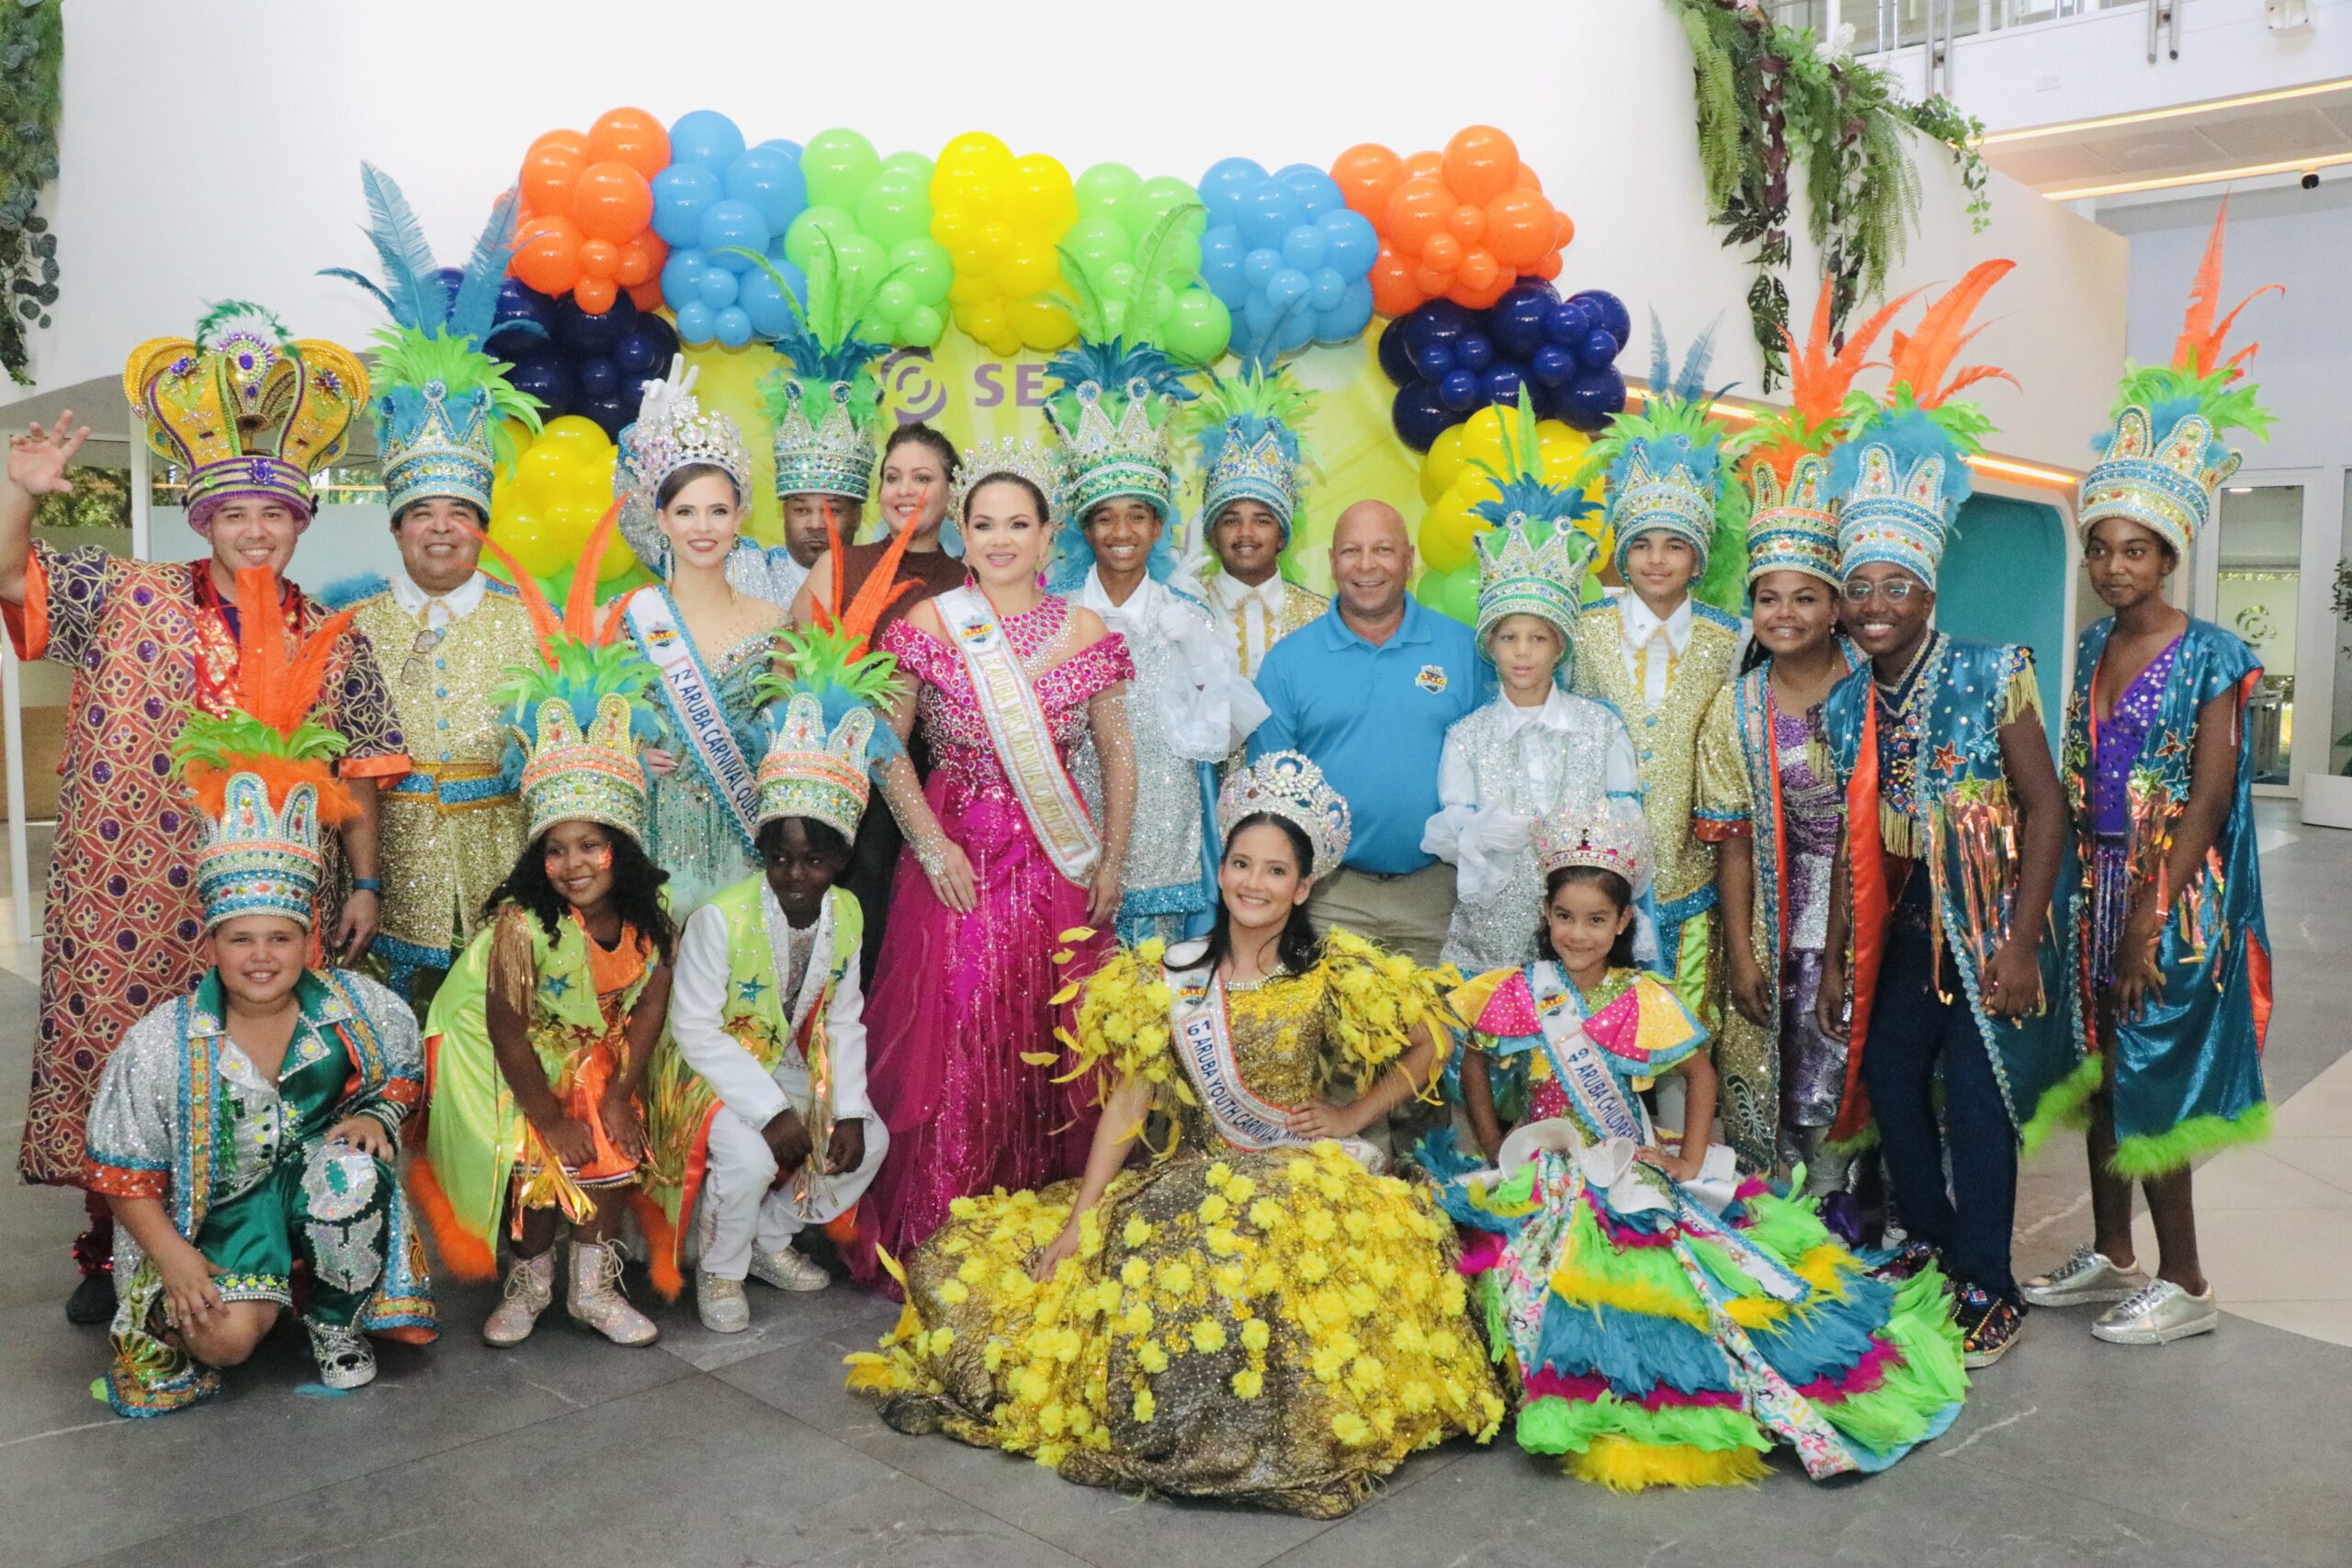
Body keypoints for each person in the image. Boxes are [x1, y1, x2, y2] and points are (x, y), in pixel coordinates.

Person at [851, 751, 1505, 1517]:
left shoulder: (1331, 972)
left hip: (1301, 1184)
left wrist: (1350, 1116)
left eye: (1275, 870)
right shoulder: (1173, 973)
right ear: (1220, 870)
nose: (1254, 883)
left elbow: (1428, 1039)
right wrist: (1081, 1216)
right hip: (1194, 1181)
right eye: (1241, 864)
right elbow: (1128, 1105)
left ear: (1304, 886)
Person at [2, 305, 408, 1325]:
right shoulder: (125, 593)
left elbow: (361, 772)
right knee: (122, 1058)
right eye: (235, 514)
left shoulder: (334, 634)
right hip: (128, 894)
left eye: (275, 514)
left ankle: (274, 1239)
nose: (255, 530)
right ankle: (114, 1249)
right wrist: (21, 494)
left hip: (275, 899)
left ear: (301, 522)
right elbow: (11, 575)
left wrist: (364, 880)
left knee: (265, 1069)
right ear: (203, 520)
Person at [1425, 795, 1964, 1491]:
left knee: (1673, 1277)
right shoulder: (1521, 990)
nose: (1578, 934)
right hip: (1544, 1167)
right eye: (1564, 916)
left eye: (1596, 919)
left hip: (1622, 1162)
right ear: (1546, 914)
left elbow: (1699, 1072)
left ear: (1624, 921)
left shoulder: (1641, 996)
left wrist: (1686, 1158)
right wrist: (1495, 1141)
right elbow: (1474, 1057)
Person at [84, 570, 436, 1415]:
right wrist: (175, 1258)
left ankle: (336, 1318)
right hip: (222, 1215)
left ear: (307, 940)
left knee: (349, 1177)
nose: (262, 957)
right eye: (241, 939)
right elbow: (122, 1171)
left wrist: (377, 1116)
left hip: (324, 1191)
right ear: (212, 943)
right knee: (225, 1342)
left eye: (280, 938)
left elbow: (401, 1075)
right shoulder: (162, 1041)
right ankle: (259, 1291)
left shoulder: (357, 1007)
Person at [1815, 261, 2077, 1371]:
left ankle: (1988, 1280)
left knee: (1977, 1099)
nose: (1875, 605)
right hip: (1908, 928)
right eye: (1860, 588)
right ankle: (1925, 1238)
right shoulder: (1846, 705)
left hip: (1993, 926)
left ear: (1928, 590)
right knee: (1886, 1079)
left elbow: (2047, 809)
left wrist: (2019, 942)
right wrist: (1840, 953)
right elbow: (1850, 846)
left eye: (1895, 587)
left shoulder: (1990, 669)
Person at [2022, 208, 2277, 1348]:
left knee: (2154, 1076)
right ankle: (2112, 1253)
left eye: (2134, 549)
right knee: (2098, 1074)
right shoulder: (2088, 647)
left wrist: (2147, 917)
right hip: (2094, 883)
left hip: (2173, 894)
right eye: (2100, 546)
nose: (2113, 564)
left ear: (2168, 556)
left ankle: (2187, 1280)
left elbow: (2211, 794)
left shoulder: (2213, 652)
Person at [847, 439, 1138, 1290]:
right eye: (984, 524)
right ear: (963, 536)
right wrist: (929, 842)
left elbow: (1118, 758)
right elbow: (884, 744)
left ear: (1049, 535)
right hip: (959, 861)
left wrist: (1114, 860)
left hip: (1058, 864)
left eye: (1018, 524)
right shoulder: (931, 623)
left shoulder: (1087, 631)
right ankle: (947, 1230)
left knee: (1061, 1036)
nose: (1001, 539)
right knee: (961, 1035)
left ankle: (1056, 1226)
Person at [415, 533, 678, 1348]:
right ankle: (528, 1279)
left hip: (600, 1061)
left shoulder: (652, 921)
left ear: (621, 848)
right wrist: (548, 1115)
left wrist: (618, 1092)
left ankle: (592, 1286)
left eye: (591, 845)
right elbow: (504, 1029)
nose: (573, 864)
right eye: (555, 849)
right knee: (539, 1166)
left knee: (607, 1157)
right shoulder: (520, 927)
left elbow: (649, 1007)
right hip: (522, 1066)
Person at [645, 556, 900, 1334]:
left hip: (788, 1060)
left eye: (814, 861)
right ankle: (721, 1272)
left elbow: (843, 1018)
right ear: (760, 853)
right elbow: (693, 1030)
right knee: (756, 1152)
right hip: (711, 1074)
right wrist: (767, 1110)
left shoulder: (845, 914)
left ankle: (768, 1237)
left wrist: (845, 1108)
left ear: (841, 862)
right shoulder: (721, 918)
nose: (796, 874)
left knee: (870, 1139)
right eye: (780, 858)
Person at [1692, 279, 1898, 1185]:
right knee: (1773, 1079)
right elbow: (1733, 841)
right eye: (1767, 598)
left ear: (1836, 606)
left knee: (1856, 1075)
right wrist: (1741, 951)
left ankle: (1855, 1210)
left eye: (1804, 597)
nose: (1783, 612)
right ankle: (1780, 1213)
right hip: (1770, 921)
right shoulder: (1736, 708)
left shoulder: (1872, 689)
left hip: (1866, 914)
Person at [323, 167, 544, 1004]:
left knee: (505, 1034)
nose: (442, 527)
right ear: (396, 527)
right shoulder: (349, 624)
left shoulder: (532, 622)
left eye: (459, 512)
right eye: (423, 512)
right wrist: (361, 881)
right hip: (388, 874)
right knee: (394, 1038)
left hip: (508, 867)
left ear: (482, 527)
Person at [1046, 271, 1263, 941]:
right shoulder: (1055, 616)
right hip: (1073, 835)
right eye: (1105, 517)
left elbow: (1225, 736)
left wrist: (1198, 662)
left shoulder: (1188, 612)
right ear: (1084, 528)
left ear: (1160, 526)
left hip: (1169, 839)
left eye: (1137, 515)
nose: (1122, 532)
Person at [1422, 396, 1639, 975]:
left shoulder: (1600, 728)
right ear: (1490, 645)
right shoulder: (1467, 737)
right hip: (1488, 945)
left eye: (1538, 638)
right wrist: (1479, 835)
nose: (1522, 652)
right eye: (1509, 637)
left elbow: (1627, 829)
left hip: (1583, 946)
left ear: (1559, 646)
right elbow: (1453, 829)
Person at [1571, 323, 1748, 1022]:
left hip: (1690, 882)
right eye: (1642, 543)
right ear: (1622, 549)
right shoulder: (1585, 628)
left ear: (1698, 557)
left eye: (1675, 545)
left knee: (1680, 1028)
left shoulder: (1731, 638)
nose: (1656, 559)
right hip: (1593, 881)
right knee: (1595, 1029)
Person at [1250, 500, 1490, 965]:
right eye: (1350, 551)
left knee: (1440, 1017)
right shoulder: (1288, 662)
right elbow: (1270, 796)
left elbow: (1494, 773)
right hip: (1329, 898)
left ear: (1409, 558)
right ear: (1332, 561)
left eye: (1382, 549)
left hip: (1440, 895)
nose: (1366, 565)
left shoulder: (1464, 650)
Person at [791, 422, 969, 984]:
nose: (904, 490)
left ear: (952, 491)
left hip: (931, 787)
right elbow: (784, 669)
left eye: (922, 478)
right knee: (843, 946)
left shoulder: (971, 584)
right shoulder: (840, 566)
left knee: (916, 947)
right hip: (838, 787)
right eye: (893, 478)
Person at [614, 363, 787, 912]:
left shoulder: (774, 623)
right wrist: (625, 756)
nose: (703, 527)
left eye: (718, 511)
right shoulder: (624, 619)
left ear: (740, 518)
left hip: (744, 842)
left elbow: (794, 738)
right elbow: (583, 729)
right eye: (686, 512)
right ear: (661, 520)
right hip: (650, 836)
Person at [737, 253, 896, 607]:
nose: (815, 524)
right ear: (783, 512)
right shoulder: (746, 572)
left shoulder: (882, 585)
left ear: (858, 515)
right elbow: (660, 546)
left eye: (832, 510)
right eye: (800, 509)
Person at [1191, 365, 1329, 680]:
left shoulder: (1321, 619)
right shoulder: (1188, 610)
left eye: (1262, 521)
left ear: (1282, 536)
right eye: (1231, 520)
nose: (1246, 533)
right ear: (1212, 534)